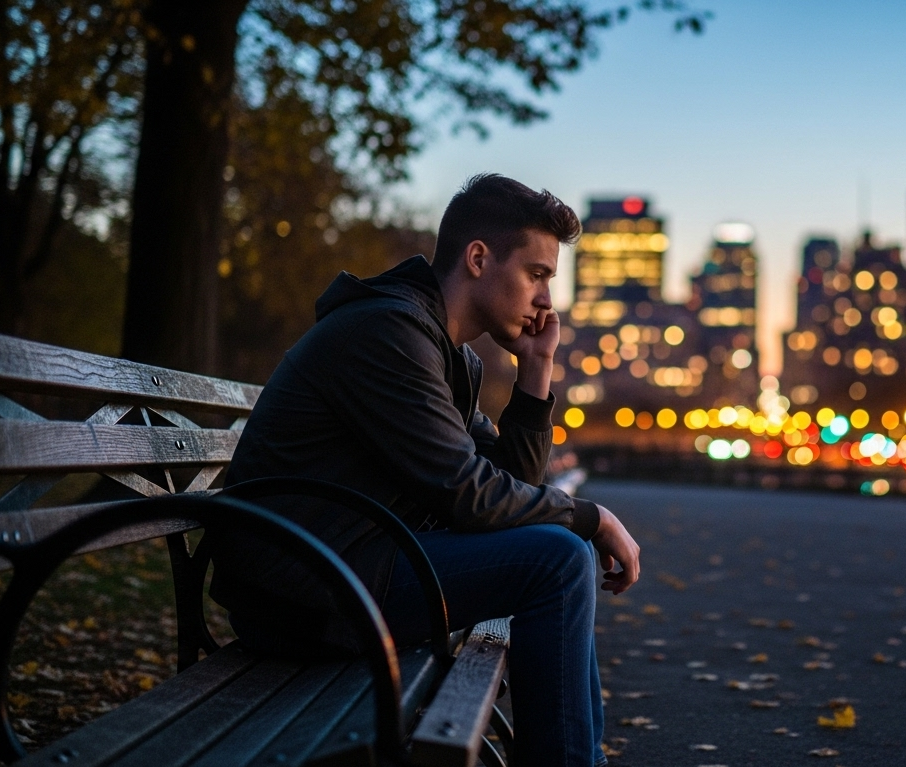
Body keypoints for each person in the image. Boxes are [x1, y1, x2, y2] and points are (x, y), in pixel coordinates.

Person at [208, 173, 641, 767]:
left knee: (557, 553)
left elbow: (509, 480)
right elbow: (468, 493)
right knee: (559, 561)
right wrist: (588, 518)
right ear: (479, 258)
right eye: (537, 275)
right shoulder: (388, 333)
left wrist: (536, 371)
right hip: (308, 593)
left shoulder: (446, 353)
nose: (547, 300)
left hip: (353, 567)